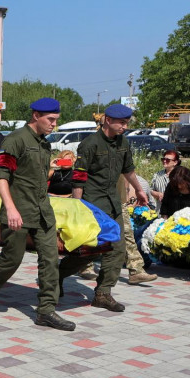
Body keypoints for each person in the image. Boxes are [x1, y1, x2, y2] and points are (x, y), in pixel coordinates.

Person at [0, 98, 74, 331]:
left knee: (50, 260)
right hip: (17, 211)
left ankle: (46, 311)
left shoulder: (44, 143)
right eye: (50, 120)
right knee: (12, 260)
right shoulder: (15, 140)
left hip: (42, 213)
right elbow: (0, 175)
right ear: (36, 115)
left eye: (56, 121)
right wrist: (10, 207)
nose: (53, 125)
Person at [58, 104, 147, 312]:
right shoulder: (90, 144)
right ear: (108, 120)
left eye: (126, 123)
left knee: (117, 249)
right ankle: (56, 276)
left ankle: (103, 293)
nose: (124, 127)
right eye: (121, 123)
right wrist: (78, 207)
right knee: (89, 251)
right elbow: (78, 178)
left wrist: (139, 190)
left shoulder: (123, 142)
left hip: (113, 203)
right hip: (93, 204)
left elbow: (129, 170)